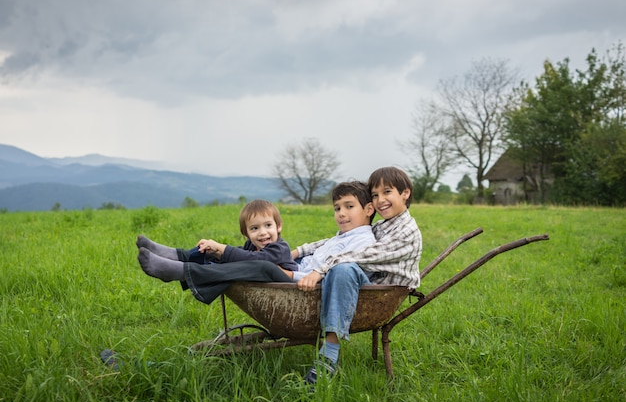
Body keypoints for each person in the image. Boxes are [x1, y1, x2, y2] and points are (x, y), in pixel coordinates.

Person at [298, 166, 422, 387]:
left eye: (387, 192)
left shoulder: (406, 232)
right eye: (375, 194)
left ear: (405, 193)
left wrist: (321, 269)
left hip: (380, 295)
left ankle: (329, 354)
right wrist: (299, 251)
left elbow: (365, 254)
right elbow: (340, 240)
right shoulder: (385, 225)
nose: (380, 200)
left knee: (343, 268)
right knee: (335, 265)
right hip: (369, 286)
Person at [136, 199, 298, 306]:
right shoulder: (251, 245)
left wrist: (222, 247)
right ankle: (176, 256)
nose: (262, 233)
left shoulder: (280, 247)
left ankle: (182, 271)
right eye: (254, 228)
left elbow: (255, 259)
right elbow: (241, 255)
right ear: (246, 233)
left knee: (264, 266)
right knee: (220, 257)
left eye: (268, 225)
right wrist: (215, 251)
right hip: (275, 288)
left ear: (278, 226)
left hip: (292, 291)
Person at [287, 181, 376, 284]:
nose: (341, 213)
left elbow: (332, 272)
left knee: (267, 267)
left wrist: (289, 274)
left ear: (368, 210)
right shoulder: (339, 238)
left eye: (349, 206)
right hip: (301, 271)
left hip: (310, 281)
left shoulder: (363, 241)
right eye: (337, 208)